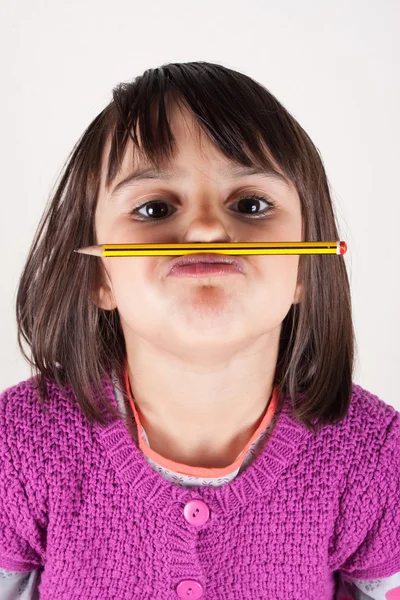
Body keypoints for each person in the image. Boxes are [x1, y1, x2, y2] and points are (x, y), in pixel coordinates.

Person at [0, 61, 399, 600]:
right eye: (155, 207)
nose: (208, 229)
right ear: (99, 274)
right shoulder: (18, 445)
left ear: (307, 267)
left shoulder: (376, 457)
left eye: (251, 205)